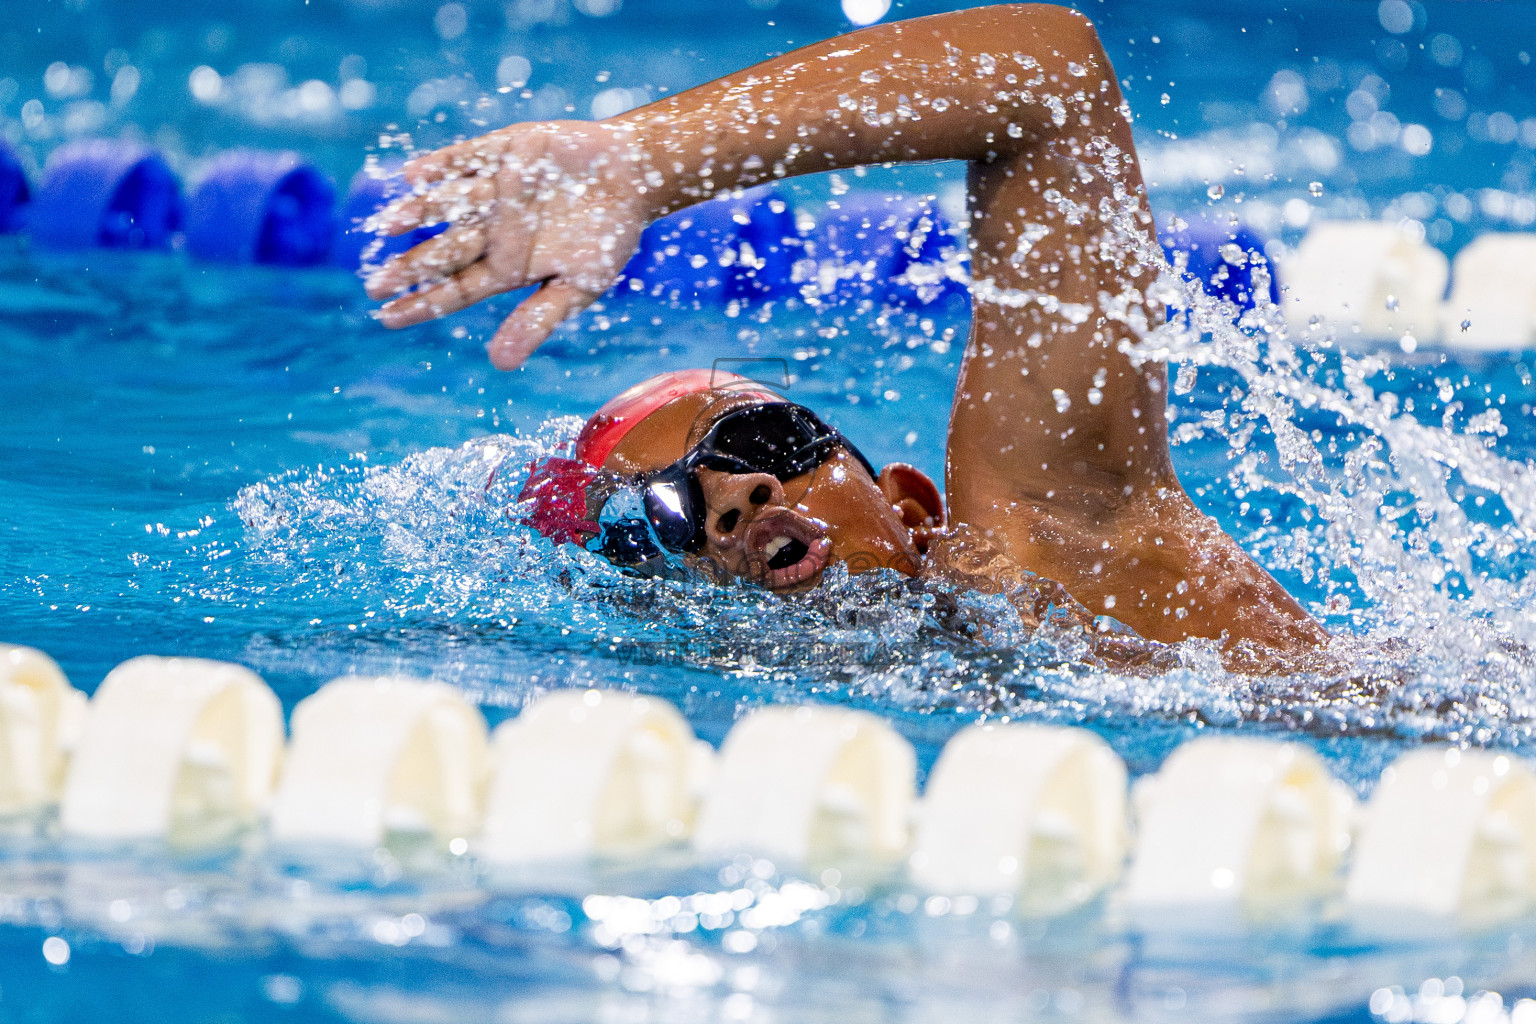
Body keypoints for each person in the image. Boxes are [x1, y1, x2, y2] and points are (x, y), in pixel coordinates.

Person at [364, 3, 1329, 669]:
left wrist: (642, 160)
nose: (741, 491)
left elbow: (1051, 79)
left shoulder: (1043, 556)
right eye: (667, 512)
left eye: (764, 441)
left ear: (911, 506)